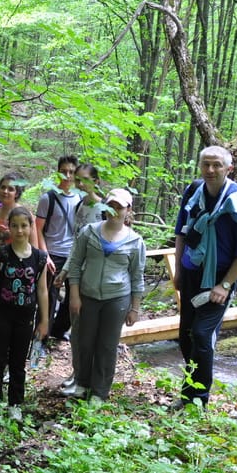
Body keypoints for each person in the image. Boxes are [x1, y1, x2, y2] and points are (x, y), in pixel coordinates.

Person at [174, 145, 237, 408]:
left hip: (218, 280)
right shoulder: (194, 191)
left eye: (217, 165)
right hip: (190, 274)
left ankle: (199, 399)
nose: (210, 170)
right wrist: (177, 269)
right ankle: (188, 392)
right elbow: (182, 233)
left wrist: (225, 285)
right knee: (186, 335)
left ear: (228, 168)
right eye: (206, 164)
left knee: (201, 335)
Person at [61, 189, 145, 401]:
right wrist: (74, 295)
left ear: (128, 210)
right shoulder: (89, 232)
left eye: (120, 207)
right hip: (87, 294)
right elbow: (75, 264)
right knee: (83, 341)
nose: (115, 210)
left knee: (107, 346)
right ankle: (82, 382)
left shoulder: (135, 242)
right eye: (111, 205)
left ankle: (99, 392)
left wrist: (135, 308)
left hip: (117, 298)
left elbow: (137, 276)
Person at [0, 206, 49, 420]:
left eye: (24, 226)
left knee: (18, 363)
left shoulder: (40, 258)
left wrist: (44, 320)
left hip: (26, 318)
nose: (20, 230)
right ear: (9, 228)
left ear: (31, 227)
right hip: (1, 315)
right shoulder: (2, 253)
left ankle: (15, 403)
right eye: (15, 226)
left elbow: (41, 290)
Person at [54, 162, 107, 388]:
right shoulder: (79, 206)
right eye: (78, 179)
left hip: (96, 278)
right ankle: (78, 374)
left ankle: (89, 378)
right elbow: (77, 243)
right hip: (77, 275)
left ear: (95, 181)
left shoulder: (104, 209)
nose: (80, 184)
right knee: (76, 330)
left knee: (90, 331)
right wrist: (66, 270)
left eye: (86, 179)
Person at [35, 155, 80, 344]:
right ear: (58, 173)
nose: (67, 176)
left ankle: (59, 329)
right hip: (52, 253)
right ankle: (40, 338)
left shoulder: (81, 198)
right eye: (64, 171)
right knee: (48, 298)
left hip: (74, 255)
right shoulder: (48, 198)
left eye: (71, 172)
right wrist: (45, 255)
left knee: (73, 296)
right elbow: (37, 228)